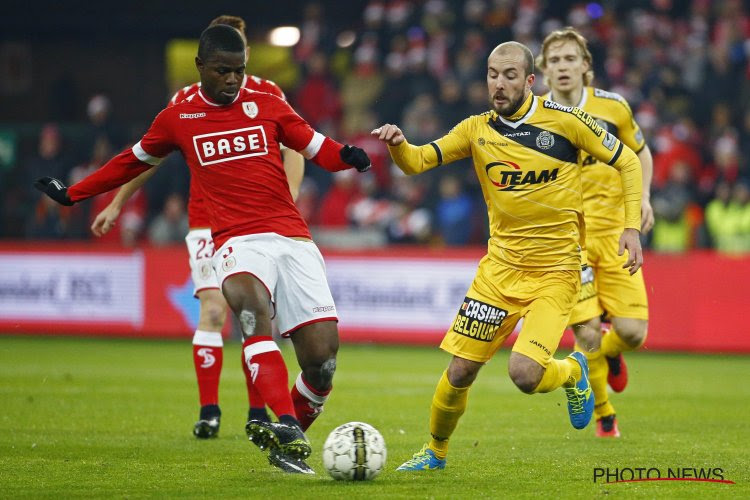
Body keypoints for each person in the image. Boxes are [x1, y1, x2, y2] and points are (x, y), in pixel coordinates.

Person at [36, 24, 371, 475]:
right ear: (200, 68)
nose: (233, 80)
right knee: (253, 314)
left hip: (292, 238)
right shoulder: (179, 117)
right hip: (235, 241)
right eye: (223, 71)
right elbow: (129, 161)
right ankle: (283, 423)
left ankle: (286, 443)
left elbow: (318, 149)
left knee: (322, 362)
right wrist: (74, 194)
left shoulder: (269, 103)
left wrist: (350, 155)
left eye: (239, 71)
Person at [372, 41, 643, 471]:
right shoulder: (475, 129)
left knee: (524, 375)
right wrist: (399, 145)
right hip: (499, 272)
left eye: (510, 75)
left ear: (531, 81)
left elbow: (627, 161)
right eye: (493, 74)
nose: (499, 84)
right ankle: (435, 453)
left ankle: (573, 373)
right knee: (460, 371)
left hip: (556, 272)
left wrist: (630, 227)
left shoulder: (568, 122)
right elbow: (419, 162)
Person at [89, 15, 307, 442]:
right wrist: (117, 201)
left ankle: (257, 412)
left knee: (256, 315)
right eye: (223, 61)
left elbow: (294, 149)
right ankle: (209, 411)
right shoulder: (185, 101)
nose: (232, 70)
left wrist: (289, 201)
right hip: (207, 222)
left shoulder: (268, 95)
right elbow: (148, 156)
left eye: (238, 58)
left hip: (262, 223)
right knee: (213, 310)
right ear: (206, 61)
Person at [537, 27, 654, 438]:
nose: (563, 67)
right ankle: (605, 415)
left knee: (632, 333)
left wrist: (645, 199)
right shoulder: (534, 118)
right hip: (570, 243)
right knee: (585, 334)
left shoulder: (613, 107)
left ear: (586, 66)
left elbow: (640, 152)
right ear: (544, 71)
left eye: (570, 59)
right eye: (554, 61)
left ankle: (614, 353)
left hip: (617, 232)